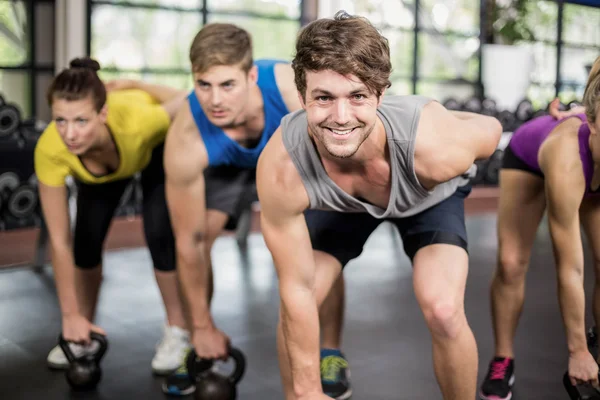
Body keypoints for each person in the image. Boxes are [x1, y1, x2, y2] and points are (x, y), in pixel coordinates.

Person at [256, 10, 503, 400]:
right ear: (302, 96)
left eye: (357, 96)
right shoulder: (282, 167)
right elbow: (296, 290)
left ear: (381, 96)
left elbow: (491, 131)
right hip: (343, 205)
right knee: (302, 298)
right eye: (323, 97)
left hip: (427, 197)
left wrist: (445, 119)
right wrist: (304, 393)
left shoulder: (437, 147)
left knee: (442, 308)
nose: (340, 118)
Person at [160, 23, 351, 399]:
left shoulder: (290, 93)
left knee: (320, 245)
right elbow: (189, 241)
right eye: (204, 85)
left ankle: (330, 350)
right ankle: (201, 342)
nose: (215, 100)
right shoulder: (187, 136)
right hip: (226, 164)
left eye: (227, 85)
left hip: (286, 150)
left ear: (250, 75)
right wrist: (199, 326)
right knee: (202, 236)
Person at [35, 57, 190, 375]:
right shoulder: (51, 148)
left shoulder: (141, 121)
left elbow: (186, 99)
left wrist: (136, 85)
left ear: (102, 113)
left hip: (151, 150)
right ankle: (83, 330)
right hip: (98, 167)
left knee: (159, 234)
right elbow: (59, 241)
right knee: (84, 242)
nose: (70, 133)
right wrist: (69, 316)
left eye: (80, 120)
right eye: (60, 120)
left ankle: (178, 330)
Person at [479, 56, 600, 400]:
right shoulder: (567, 159)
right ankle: (503, 358)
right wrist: (576, 351)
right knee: (511, 263)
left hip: (591, 164)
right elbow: (571, 268)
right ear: (592, 122)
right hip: (531, 158)